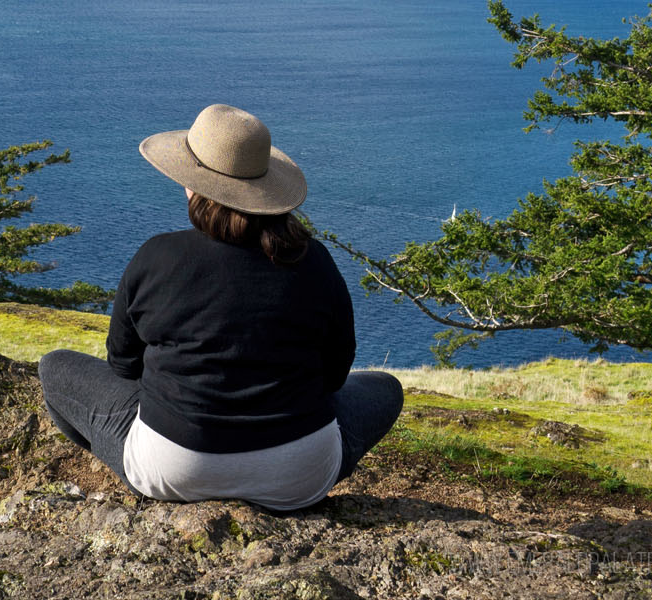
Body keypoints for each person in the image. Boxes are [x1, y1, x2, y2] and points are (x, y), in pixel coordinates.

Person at [38, 102, 403, 510]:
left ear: (193, 184)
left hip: (173, 467)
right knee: (386, 389)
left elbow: (123, 366)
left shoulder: (156, 257)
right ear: (266, 190)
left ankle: (146, 484)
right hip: (299, 475)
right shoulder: (313, 260)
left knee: (53, 367)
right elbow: (335, 376)